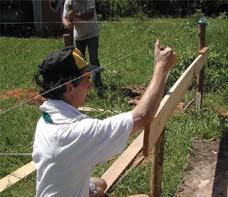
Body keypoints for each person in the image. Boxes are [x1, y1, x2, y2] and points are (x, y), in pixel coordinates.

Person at [33, 40, 176, 197]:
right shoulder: (74, 132)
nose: (91, 86)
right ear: (69, 87)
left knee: (99, 185)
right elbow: (142, 116)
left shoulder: (47, 118)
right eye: (87, 79)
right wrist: (161, 67)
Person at [62, 0, 104, 91]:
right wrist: (67, 24)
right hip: (78, 35)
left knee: (93, 58)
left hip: (92, 33)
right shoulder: (69, 2)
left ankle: (98, 83)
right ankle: (83, 84)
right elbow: (65, 18)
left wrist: (75, 16)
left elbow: (90, 15)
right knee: (80, 61)